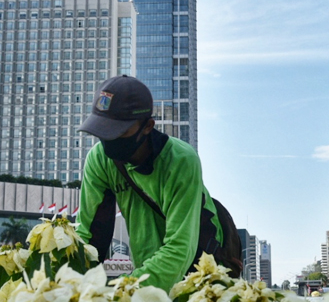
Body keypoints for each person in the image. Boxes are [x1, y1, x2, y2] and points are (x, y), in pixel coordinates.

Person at [75, 75, 241, 290]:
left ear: (148, 126)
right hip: (147, 268)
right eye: (102, 130)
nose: (108, 139)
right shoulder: (99, 159)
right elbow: (87, 233)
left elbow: (180, 247)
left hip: (200, 270)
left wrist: (125, 291)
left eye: (118, 131)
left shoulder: (181, 160)